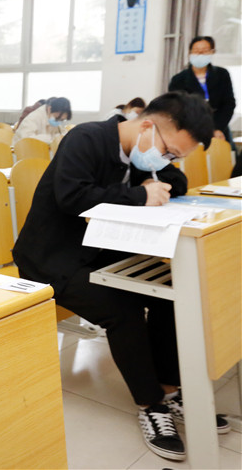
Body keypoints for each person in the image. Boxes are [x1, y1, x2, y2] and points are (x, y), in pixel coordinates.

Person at [13, 91, 227, 462]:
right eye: (168, 152)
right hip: (52, 258)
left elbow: (174, 181)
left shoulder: (144, 153)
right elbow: (72, 197)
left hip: (99, 250)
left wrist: (161, 177)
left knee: (168, 290)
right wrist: (140, 195)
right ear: (147, 126)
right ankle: (151, 404)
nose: (167, 161)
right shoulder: (87, 138)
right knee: (122, 308)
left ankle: (169, 389)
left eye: (175, 156)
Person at [168, 36, 236, 150]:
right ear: (190, 53)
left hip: (219, 126)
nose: (200, 54)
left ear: (212, 52)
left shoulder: (222, 74)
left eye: (204, 50)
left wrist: (217, 128)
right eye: (196, 50)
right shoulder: (178, 79)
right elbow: (177, 109)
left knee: (226, 155)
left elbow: (229, 103)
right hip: (191, 128)